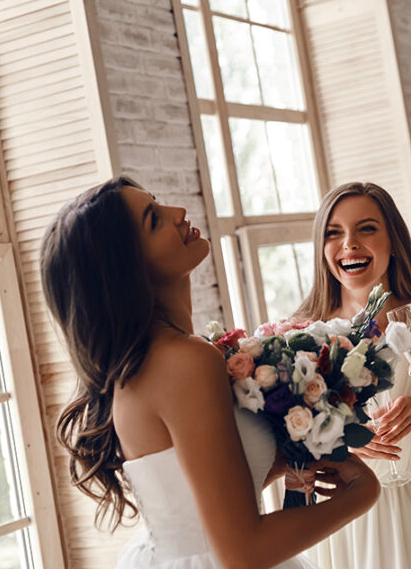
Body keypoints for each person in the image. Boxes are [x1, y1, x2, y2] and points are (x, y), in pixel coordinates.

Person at [41, 176, 379, 569]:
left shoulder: (148, 361)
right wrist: (362, 493)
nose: (178, 213)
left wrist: (282, 462)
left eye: (157, 201)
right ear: (125, 269)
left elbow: (193, 504)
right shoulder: (184, 360)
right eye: (154, 220)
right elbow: (243, 553)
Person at [294, 182, 411, 569]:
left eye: (366, 229)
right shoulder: (303, 329)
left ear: (393, 240)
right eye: (333, 233)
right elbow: (286, 438)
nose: (348, 244)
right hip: (340, 510)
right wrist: (341, 439)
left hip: (410, 500)